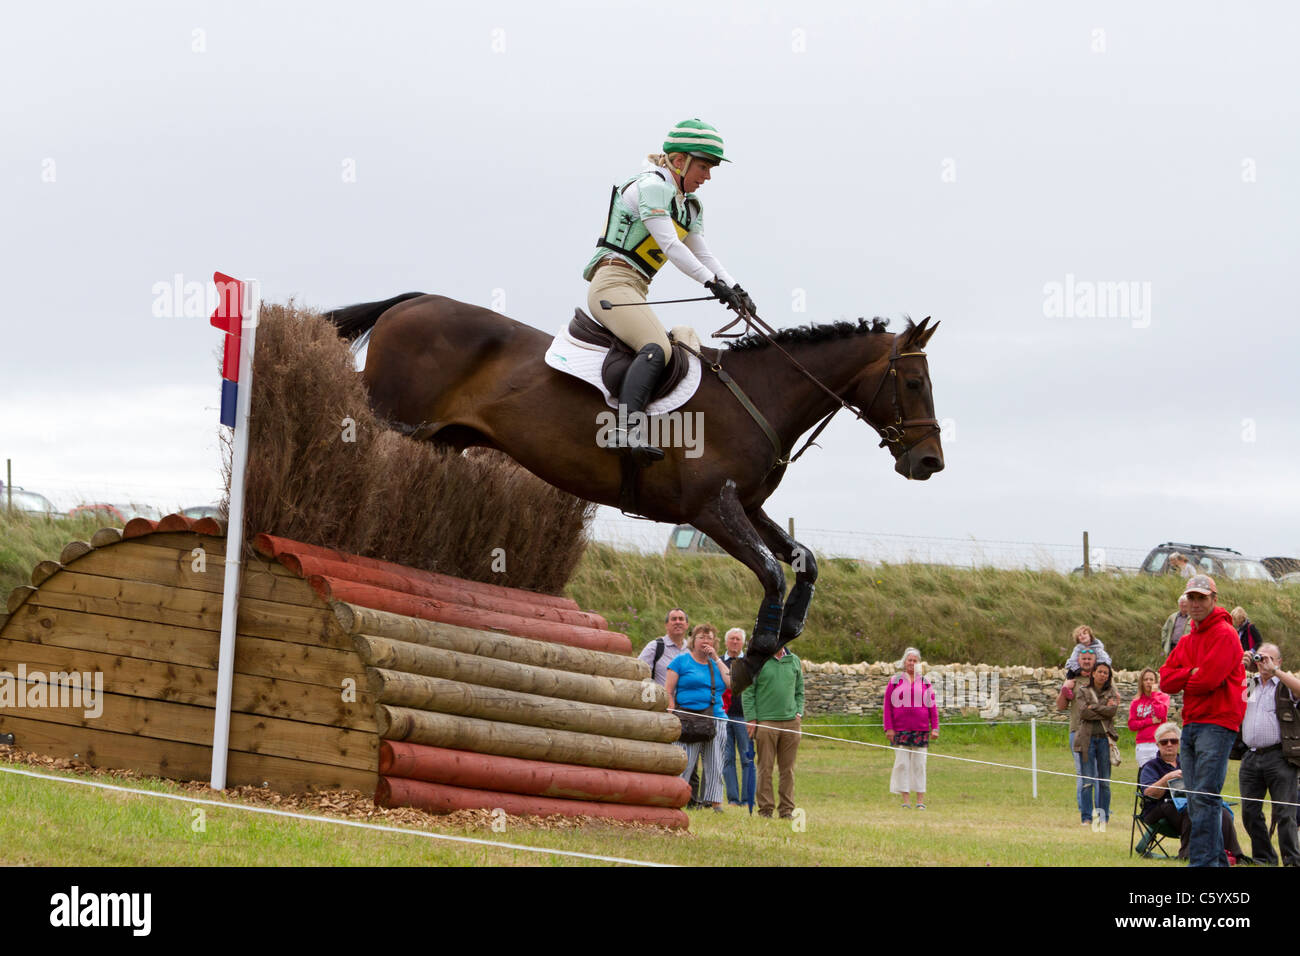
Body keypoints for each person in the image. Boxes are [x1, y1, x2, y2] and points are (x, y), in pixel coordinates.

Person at [582, 118, 755, 465]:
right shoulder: (650, 187)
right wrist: (712, 284)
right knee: (657, 347)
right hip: (612, 284)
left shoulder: (688, 205)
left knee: (686, 342)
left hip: (636, 288)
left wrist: (736, 288)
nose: (707, 176)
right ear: (679, 161)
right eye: (703, 167)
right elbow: (673, 248)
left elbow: (702, 252)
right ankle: (624, 431)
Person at [1159, 574, 1248, 866]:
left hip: (1218, 723)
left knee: (1205, 795)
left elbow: (1208, 680)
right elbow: (1166, 680)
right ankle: (1213, 861)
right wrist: (1190, 674)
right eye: (1192, 598)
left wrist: (1189, 676)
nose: (1195, 603)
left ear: (1214, 599)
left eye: (1201, 598)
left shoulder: (1225, 634)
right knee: (1196, 797)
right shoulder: (1187, 639)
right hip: (1193, 723)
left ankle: (1205, 862)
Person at [1139, 722, 1245, 861]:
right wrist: (1166, 779)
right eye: (1164, 742)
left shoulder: (1187, 762)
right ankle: (1188, 855)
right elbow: (1148, 793)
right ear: (1158, 745)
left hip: (1190, 800)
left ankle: (1233, 854)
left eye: (1174, 741)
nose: (1169, 744)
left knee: (1221, 811)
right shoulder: (1151, 766)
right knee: (1191, 811)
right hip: (1160, 806)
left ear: (1179, 743)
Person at [1237, 643, 1300, 866]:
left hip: (1280, 757)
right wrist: (1239, 665)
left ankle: (1292, 861)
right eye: (1261, 658)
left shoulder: (1284, 683)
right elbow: (1232, 699)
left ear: (1279, 661)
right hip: (1251, 756)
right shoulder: (1251, 684)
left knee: (1284, 813)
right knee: (1249, 811)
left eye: (1270, 658)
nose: (1264, 662)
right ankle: (1264, 858)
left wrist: (1275, 672)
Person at [665, 624, 730, 811]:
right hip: (687, 719)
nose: (705, 641)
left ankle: (714, 802)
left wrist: (716, 658)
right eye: (701, 637)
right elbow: (668, 692)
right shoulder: (681, 661)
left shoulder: (717, 664)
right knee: (683, 762)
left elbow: (731, 683)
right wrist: (670, 714)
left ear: (715, 642)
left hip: (715, 717)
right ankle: (675, 798)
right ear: (693, 641)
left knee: (715, 762)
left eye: (709, 638)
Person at [742, 643, 804, 819]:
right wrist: (752, 719)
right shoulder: (758, 662)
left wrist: (799, 712)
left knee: (788, 770)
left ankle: (786, 810)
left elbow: (800, 691)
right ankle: (766, 810)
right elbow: (748, 692)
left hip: (791, 723)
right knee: (765, 768)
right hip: (766, 722)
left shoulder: (794, 661)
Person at [883, 647, 939, 809]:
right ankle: (906, 801)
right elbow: (887, 706)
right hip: (900, 730)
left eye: (915, 660)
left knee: (919, 764)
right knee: (902, 764)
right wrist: (889, 728)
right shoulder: (895, 680)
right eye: (909, 660)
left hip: (921, 730)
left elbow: (932, 707)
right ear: (904, 662)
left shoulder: (925, 682)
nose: (912, 663)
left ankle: (920, 801)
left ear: (919, 663)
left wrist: (935, 727)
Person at [1073, 661, 1119, 827]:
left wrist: (1094, 707)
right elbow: (1083, 712)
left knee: (1104, 782)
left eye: (1106, 673)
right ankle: (1086, 818)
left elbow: (1112, 712)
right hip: (1087, 740)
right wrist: (1102, 709)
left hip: (1105, 740)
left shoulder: (1112, 692)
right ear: (1093, 673)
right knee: (1087, 781)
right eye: (1100, 671)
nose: (1102, 675)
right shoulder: (1083, 691)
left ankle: (1103, 818)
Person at [1056, 648, 1097, 821]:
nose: (1087, 661)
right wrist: (1064, 690)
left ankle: (1101, 811)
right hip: (1077, 731)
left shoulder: (1101, 678)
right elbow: (1060, 706)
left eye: (1089, 658)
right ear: (1078, 660)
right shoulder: (1072, 679)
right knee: (1083, 772)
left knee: (1099, 772)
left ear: (1095, 660)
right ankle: (1084, 810)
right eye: (1083, 659)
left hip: (1098, 732)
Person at [719, 627, 754, 807]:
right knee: (727, 759)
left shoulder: (749, 663)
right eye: (731, 639)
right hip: (724, 717)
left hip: (744, 717)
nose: (734, 642)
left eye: (738, 639)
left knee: (747, 758)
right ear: (726, 642)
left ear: (743, 643)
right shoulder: (719, 662)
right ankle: (733, 799)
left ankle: (748, 798)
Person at [1128, 668, 1171, 769]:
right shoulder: (1136, 702)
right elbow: (1132, 725)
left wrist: (1154, 696)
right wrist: (1150, 721)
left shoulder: (1163, 697)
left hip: (1159, 743)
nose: (1148, 682)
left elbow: (1161, 714)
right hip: (1142, 745)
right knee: (1145, 775)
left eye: (1151, 680)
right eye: (1145, 679)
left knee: (1161, 774)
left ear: (1156, 682)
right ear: (1141, 682)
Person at [638, 608, 690, 687]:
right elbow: (638, 672)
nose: (678, 622)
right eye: (674, 619)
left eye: (681, 619)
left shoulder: (692, 650)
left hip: (687, 699)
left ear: (687, 625)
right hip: (662, 698)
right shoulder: (655, 647)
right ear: (666, 625)